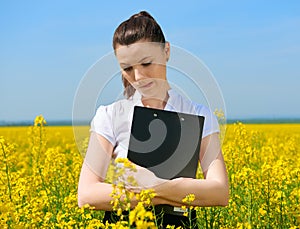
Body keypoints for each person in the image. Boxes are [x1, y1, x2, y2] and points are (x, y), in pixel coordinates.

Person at [77, 11, 229, 228]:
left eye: (146, 63)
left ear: (166, 51)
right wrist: (175, 191)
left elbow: (219, 192)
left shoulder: (199, 115)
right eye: (127, 68)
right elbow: (87, 194)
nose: (138, 77)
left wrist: (149, 186)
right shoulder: (109, 115)